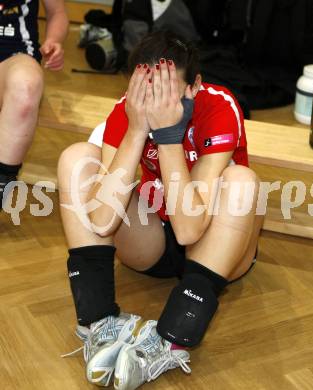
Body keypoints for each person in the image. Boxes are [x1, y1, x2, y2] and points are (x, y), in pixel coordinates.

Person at [58, 31, 263, 389]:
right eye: (146, 92)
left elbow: (189, 230)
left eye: (167, 93)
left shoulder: (217, 106)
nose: (153, 105)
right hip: (152, 241)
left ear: (194, 86)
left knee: (242, 182)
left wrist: (168, 137)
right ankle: (98, 323)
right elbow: (103, 220)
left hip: (215, 246)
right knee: (76, 158)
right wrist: (137, 130)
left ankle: (169, 341)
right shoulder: (128, 110)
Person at [0, 0, 68, 208]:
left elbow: (57, 12)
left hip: (13, 57)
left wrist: (54, 41)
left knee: (26, 86)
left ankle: (2, 179)